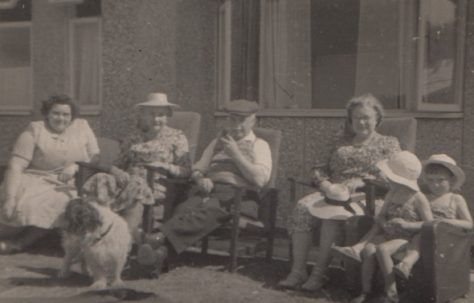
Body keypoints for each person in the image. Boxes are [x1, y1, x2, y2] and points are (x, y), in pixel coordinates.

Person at [278, 93, 401, 291]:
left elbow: (394, 176)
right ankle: (298, 271)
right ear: (350, 120)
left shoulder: (389, 143)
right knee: (302, 207)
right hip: (333, 191)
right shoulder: (339, 142)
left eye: (366, 117)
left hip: (368, 195)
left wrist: (362, 181)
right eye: (356, 118)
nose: (361, 122)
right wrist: (325, 184)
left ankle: (319, 274)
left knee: (332, 217)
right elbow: (318, 168)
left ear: (377, 118)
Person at [136, 99, 272, 277]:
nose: (236, 125)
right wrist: (201, 178)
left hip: (238, 196)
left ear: (253, 121)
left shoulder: (260, 145)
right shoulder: (218, 142)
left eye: (241, 120)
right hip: (211, 190)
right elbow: (198, 169)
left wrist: (236, 154)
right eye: (232, 119)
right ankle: (158, 257)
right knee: (184, 208)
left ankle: (158, 238)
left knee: (208, 210)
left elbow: (260, 180)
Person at [81, 92, 191, 243]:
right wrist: (117, 171)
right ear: (143, 116)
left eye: (161, 115)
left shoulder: (177, 137)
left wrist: (165, 166)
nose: (156, 119)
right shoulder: (133, 137)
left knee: (137, 185)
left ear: (168, 116)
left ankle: (121, 240)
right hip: (127, 181)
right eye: (151, 114)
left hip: (156, 185)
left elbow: (186, 171)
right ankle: (92, 231)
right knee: (100, 179)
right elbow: (118, 164)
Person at [0, 94, 100, 253]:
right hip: (36, 178)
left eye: (66, 114)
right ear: (47, 114)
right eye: (56, 113)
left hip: (70, 182)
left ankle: (20, 243)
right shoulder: (35, 130)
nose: (61, 118)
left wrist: (76, 166)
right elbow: (16, 165)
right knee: (22, 205)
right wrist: (10, 198)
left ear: (72, 116)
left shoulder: (82, 127)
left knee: (64, 202)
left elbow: (95, 156)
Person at [335, 151, 433, 303]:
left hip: (406, 238)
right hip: (389, 232)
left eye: (391, 178)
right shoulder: (392, 193)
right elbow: (381, 215)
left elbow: (429, 224)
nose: (388, 180)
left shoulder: (418, 198)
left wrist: (408, 224)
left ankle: (391, 291)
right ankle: (365, 291)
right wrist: (383, 223)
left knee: (382, 249)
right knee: (368, 250)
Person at [392, 154, 473, 280]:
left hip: (448, 237)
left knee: (420, 237)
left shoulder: (455, 199)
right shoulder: (425, 198)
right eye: (431, 180)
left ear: (451, 180)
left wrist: (446, 221)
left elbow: (469, 224)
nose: (435, 185)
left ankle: (407, 263)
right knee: (416, 237)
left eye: (440, 180)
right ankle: (404, 268)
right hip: (424, 233)